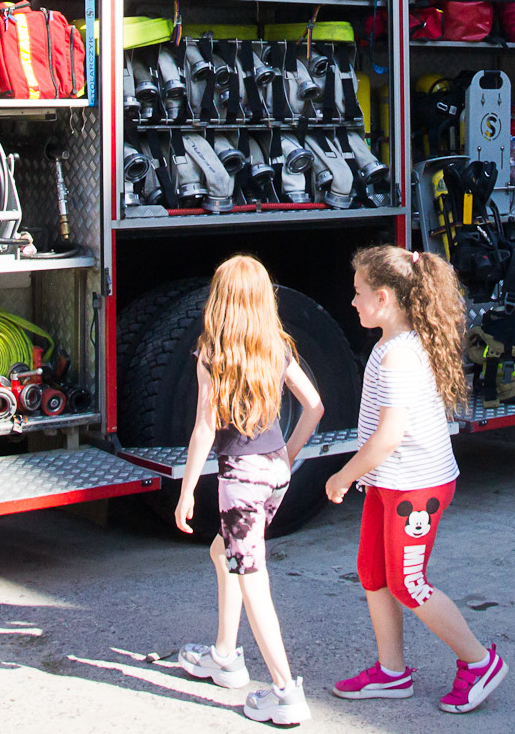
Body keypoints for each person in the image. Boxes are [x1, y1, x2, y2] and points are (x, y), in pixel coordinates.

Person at [325, 246, 506, 715]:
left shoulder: (398, 358)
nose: (353, 302)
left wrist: (345, 475)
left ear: (383, 298)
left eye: (358, 293)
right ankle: (391, 672)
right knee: (373, 573)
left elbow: (389, 436)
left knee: (407, 583)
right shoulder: (393, 346)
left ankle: (479, 662)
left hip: (415, 489)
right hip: (392, 482)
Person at [174, 256, 325, 726]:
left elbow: (203, 429)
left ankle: (284, 690)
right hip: (275, 476)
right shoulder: (276, 347)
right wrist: (288, 455)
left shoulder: (213, 353)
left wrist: (187, 491)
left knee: (251, 578)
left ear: (219, 300)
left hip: (239, 481)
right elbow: (315, 405)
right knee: (225, 554)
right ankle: (224, 655)